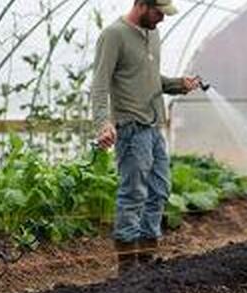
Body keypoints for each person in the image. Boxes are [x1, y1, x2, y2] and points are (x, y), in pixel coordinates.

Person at [90, 0, 200, 275]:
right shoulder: (113, 35)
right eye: (158, 12)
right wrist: (103, 123)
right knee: (133, 193)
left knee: (160, 189)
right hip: (130, 129)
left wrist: (178, 84)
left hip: (153, 127)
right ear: (141, 4)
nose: (162, 18)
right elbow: (100, 84)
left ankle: (147, 259)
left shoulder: (153, 32)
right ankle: (128, 267)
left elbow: (150, 78)